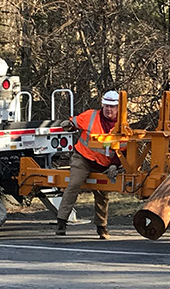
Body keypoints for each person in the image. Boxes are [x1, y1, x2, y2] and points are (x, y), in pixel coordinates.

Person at [56, 90, 122, 239]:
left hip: (104, 165)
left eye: (112, 107)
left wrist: (114, 165)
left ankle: (101, 226)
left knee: (102, 194)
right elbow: (74, 123)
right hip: (83, 159)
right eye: (106, 105)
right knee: (74, 184)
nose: (108, 109)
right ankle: (61, 221)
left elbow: (123, 150)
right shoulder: (91, 115)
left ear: (118, 108)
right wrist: (68, 124)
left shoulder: (122, 126)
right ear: (102, 105)